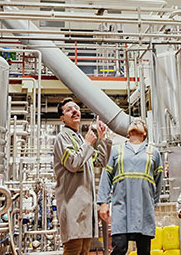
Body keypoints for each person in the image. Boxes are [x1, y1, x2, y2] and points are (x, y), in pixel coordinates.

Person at [53, 98, 112, 255]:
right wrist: (87, 143)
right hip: (72, 207)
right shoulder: (62, 138)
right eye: (69, 109)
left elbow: (101, 161)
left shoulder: (78, 138)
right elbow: (73, 164)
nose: (74, 111)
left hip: (86, 210)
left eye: (76, 108)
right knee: (73, 249)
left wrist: (102, 138)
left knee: (84, 251)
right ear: (62, 118)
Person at [97, 119, 164, 255]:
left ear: (144, 133)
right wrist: (103, 203)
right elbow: (106, 176)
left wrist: (152, 203)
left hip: (144, 208)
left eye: (140, 122)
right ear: (127, 133)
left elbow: (158, 181)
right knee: (119, 248)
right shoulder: (117, 150)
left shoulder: (153, 152)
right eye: (133, 122)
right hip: (122, 207)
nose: (135, 123)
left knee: (144, 251)